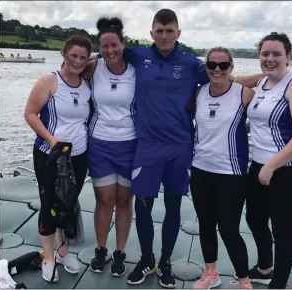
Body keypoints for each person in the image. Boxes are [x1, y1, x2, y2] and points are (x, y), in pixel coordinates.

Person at [91, 9, 263, 288]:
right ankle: (147, 259)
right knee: (143, 207)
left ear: (178, 33)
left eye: (169, 31)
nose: (164, 36)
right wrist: (71, 65)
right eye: (159, 30)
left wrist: (265, 77)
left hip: (180, 148)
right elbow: (105, 56)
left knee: (173, 207)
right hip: (146, 146)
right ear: (151, 33)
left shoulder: (192, 64)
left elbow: (222, 78)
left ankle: (166, 261)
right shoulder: (138, 55)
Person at [244, 32, 292, 289]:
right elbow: (262, 122)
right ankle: (265, 267)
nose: (270, 59)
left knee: (283, 231)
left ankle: (279, 283)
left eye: (276, 54)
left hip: (288, 170)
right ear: (259, 56)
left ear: (288, 57)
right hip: (259, 165)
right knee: (254, 219)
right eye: (265, 54)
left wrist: (272, 166)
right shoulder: (264, 83)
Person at [24, 35, 92, 282]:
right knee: (50, 203)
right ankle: (49, 257)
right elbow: (30, 114)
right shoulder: (49, 81)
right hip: (49, 155)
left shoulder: (86, 84)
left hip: (78, 155)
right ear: (63, 54)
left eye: (83, 57)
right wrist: (51, 139)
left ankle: (64, 252)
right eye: (73, 55)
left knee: (68, 203)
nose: (78, 61)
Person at [190, 47, 254, 290]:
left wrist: (233, 79)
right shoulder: (198, 92)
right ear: (206, 67)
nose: (217, 69)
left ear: (231, 67)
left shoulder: (245, 94)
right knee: (206, 224)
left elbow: (270, 80)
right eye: (212, 65)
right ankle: (211, 273)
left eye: (223, 65)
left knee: (228, 229)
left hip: (232, 172)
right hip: (200, 169)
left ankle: (244, 279)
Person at [81, 16, 136, 276]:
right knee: (104, 200)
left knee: (124, 201)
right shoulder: (94, 67)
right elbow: (68, 67)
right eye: (104, 46)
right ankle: (101, 249)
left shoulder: (136, 70)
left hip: (130, 143)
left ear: (123, 44)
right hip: (100, 142)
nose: (110, 51)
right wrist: (93, 57)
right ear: (99, 48)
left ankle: (120, 252)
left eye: (114, 45)